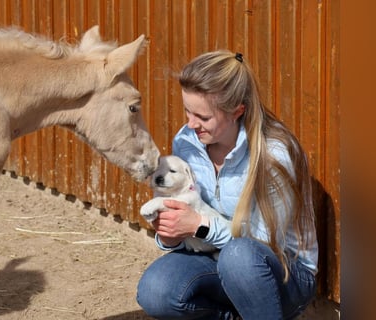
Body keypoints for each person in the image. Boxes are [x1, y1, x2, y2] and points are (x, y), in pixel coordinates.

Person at [136, 50, 318, 320]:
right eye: (187, 110)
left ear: (238, 111)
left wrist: (200, 225)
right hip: (215, 259)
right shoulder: (187, 141)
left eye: (203, 117)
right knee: (156, 290)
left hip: (282, 272)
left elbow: (267, 243)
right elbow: (188, 224)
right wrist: (171, 235)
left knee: (239, 257)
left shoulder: (274, 155)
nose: (190, 123)